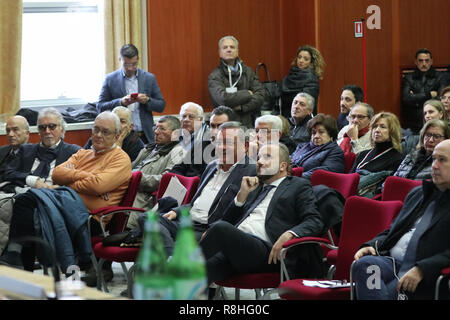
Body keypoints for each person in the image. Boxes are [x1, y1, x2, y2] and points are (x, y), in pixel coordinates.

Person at [0, 111, 131, 274]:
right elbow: (58, 174)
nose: (98, 135)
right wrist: (88, 176)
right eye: (95, 130)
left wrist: (70, 184)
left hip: (90, 217)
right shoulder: (84, 153)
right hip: (67, 205)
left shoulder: (120, 159)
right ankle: (20, 263)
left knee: (29, 206)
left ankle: (18, 260)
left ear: (117, 135)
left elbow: (98, 186)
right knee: (28, 206)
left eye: (105, 132)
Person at [199, 143, 325, 287]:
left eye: (267, 157)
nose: (259, 161)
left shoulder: (298, 186)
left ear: (282, 166)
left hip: (269, 252)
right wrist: (242, 195)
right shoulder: (254, 186)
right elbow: (227, 221)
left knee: (219, 228)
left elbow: (315, 220)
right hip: (238, 248)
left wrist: (290, 234)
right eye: (258, 157)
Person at [352, 139, 450, 300]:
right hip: (392, 264)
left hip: (422, 273)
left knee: (383, 293)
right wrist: (372, 245)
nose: (435, 165)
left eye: (443, 160)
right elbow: (394, 229)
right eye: (433, 159)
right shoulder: (418, 193)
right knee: (366, 265)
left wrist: (423, 269)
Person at [159, 122, 256, 256]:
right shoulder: (211, 166)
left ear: (245, 146)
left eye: (227, 143)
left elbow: (243, 213)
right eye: (218, 142)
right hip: (188, 222)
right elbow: (197, 203)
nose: (221, 147)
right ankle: (173, 254)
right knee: (148, 219)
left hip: (208, 229)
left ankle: (171, 253)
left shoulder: (252, 171)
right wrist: (177, 211)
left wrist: (213, 230)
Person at [97, 44, 165, 144]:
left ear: (138, 59)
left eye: (134, 64)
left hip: (145, 135)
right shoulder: (110, 79)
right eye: (126, 64)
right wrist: (121, 102)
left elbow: (161, 106)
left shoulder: (149, 78)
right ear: (120, 60)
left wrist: (147, 101)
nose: (130, 68)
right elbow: (100, 107)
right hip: (120, 136)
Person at [3, 108, 81, 191]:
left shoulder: (74, 152)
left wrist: (63, 187)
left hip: (56, 197)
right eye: (42, 127)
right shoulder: (25, 150)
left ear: (62, 129)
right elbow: (7, 173)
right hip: (24, 194)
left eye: (52, 126)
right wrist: (32, 180)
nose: (47, 131)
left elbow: (85, 180)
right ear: (39, 132)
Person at [129, 116, 185, 216]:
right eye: (156, 127)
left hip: (143, 201)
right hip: (129, 190)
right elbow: (130, 168)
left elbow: (166, 180)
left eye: (162, 129)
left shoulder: (178, 151)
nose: (156, 132)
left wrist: (135, 177)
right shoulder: (149, 148)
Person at [208, 36, 265, 129]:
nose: (229, 50)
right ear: (220, 53)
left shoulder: (248, 72)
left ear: (237, 51)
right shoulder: (214, 76)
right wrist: (248, 93)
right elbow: (224, 99)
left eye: (232, 47)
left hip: (247, 125)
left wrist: (242, 107)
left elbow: (260, 95)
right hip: (224, 127)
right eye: (225, 47)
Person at [351, 112, 404, 197]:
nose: (377, 130)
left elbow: (384, 190)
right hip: (351, 192)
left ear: (392, 131)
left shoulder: (397, 159)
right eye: (375, 126)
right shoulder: (363, 154)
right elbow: (349, 177)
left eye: (382, 127)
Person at [402, 48, 445, 134]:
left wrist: (416, 98)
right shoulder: (409, 78)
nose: (424, 64)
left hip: (435, 122)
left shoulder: (439, 77)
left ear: (431, 61)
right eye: (421, 61)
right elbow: (406, 98)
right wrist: (428, 95)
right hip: (413, 123)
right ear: (416, 62)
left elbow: (441, 99)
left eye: (427, 60)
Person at [291, 114, 345, 179]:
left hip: (310, 185)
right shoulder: (302, 146)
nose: (316, 136)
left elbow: (323, 174)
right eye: (313, 132)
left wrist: (292, 176)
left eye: (321, 132)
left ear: (331, 134)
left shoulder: (335, 152)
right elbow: (290, 160)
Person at [280, 45, 325, 118]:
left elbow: (305, 101)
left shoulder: (312, 79)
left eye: (306, 59)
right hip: (286, 117)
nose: (301, 61)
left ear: (311, 62)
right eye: (299, 57)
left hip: (304, 119)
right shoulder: (289, 76)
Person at [169, 102, 210, 178]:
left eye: (191, 117)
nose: (186, 120)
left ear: (200, 119)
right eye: (184, 116)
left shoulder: (207, 138)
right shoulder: (175, 134)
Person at [0, 116, 30, 182]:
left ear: (27, 133)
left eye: (15, 130)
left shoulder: (35, 153)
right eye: (8, 130)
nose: (10, 134)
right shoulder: (1, 151)